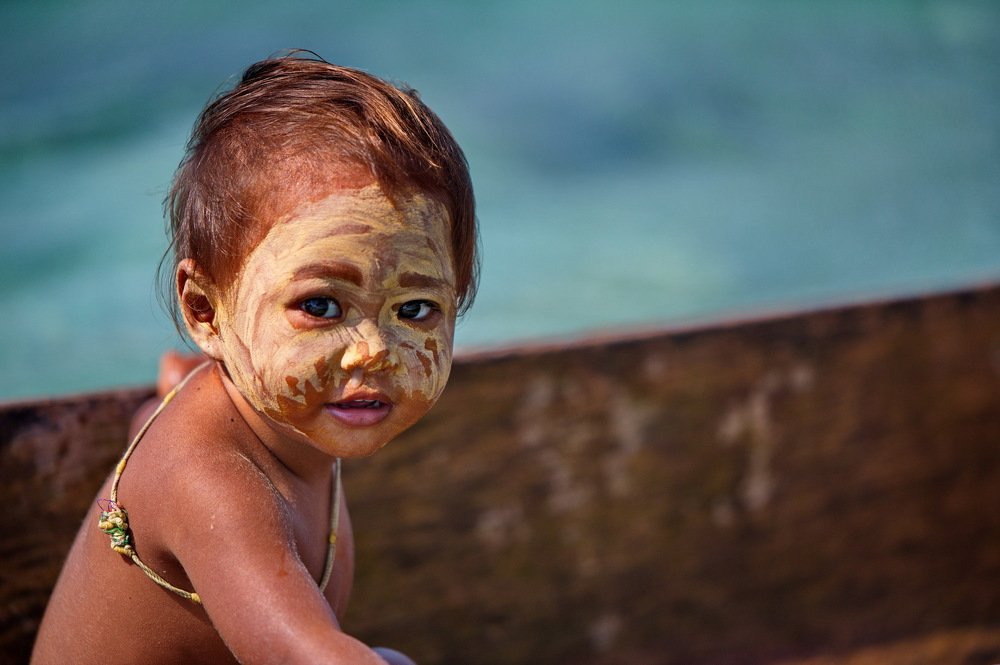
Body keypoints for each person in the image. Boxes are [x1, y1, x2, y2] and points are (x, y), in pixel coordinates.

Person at [32, 51, 477, 665]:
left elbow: (166, 402)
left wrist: (164, 396)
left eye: (416, 309)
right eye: (320, 306)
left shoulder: (276, 413)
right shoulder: (211, 483)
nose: (374, 352)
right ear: (206, 312)